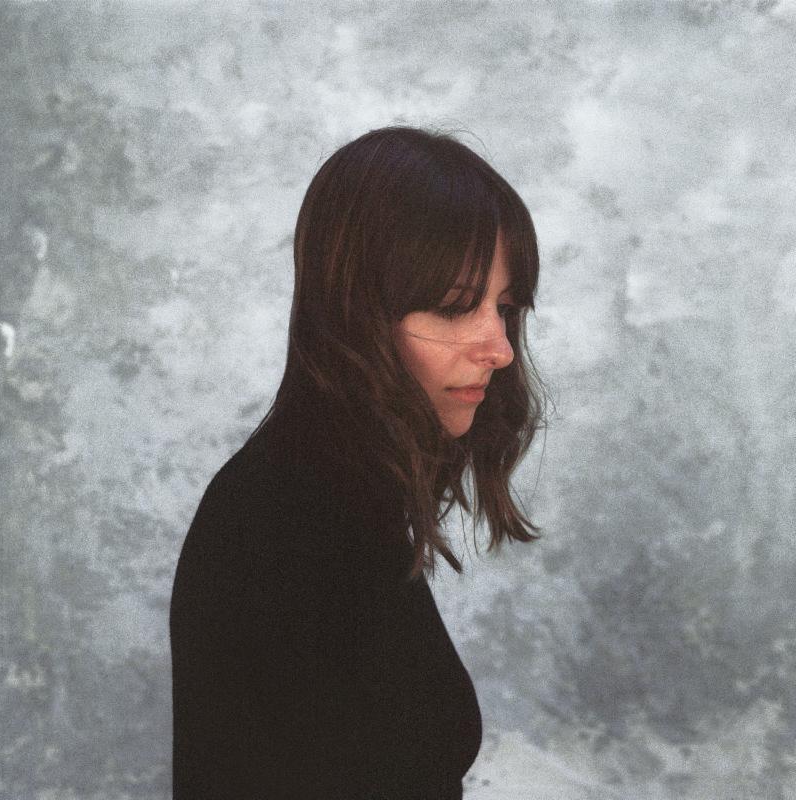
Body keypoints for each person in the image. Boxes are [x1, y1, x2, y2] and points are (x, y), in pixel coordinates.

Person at [169, 125, 548, 799]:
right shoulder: (289, 522)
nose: (499, 348)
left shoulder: (332, 496)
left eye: (505, 308)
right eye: (455, 307)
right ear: (357, 312)